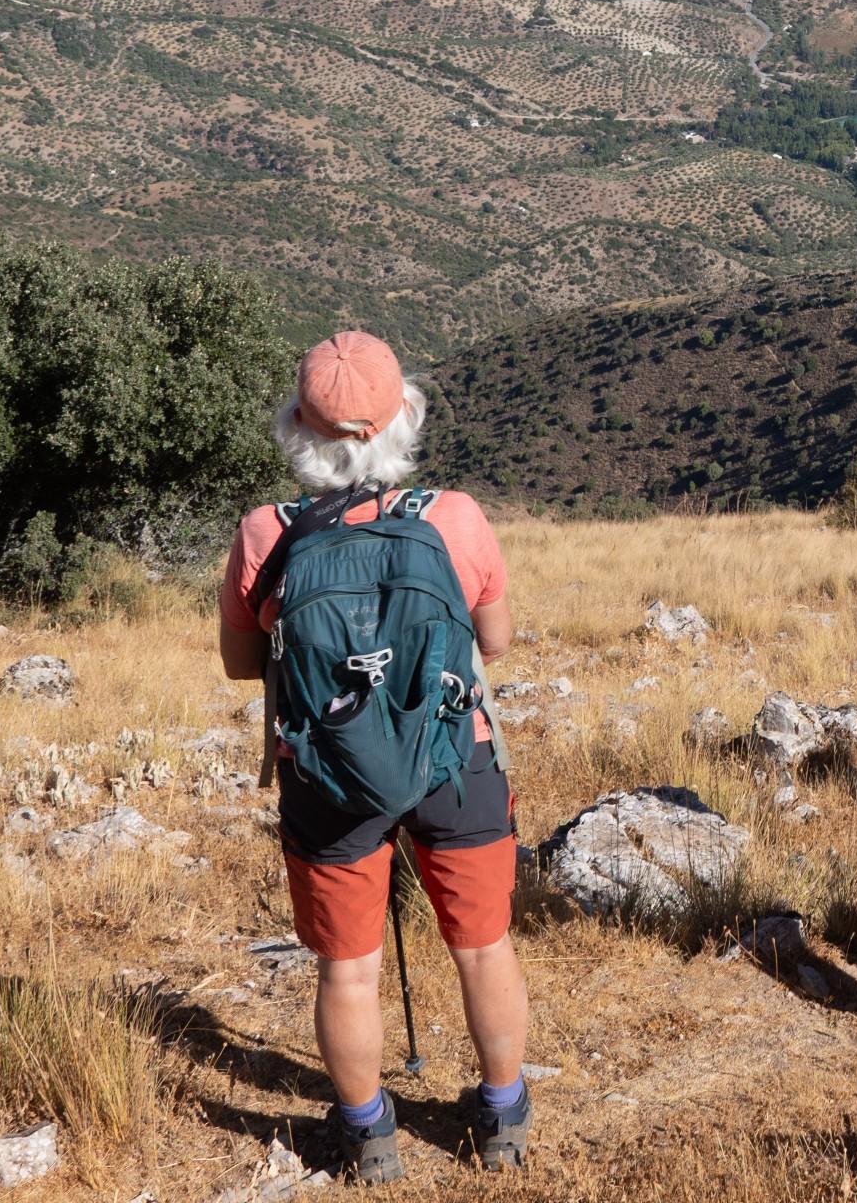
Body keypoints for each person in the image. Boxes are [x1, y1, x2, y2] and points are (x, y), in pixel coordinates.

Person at [218, 331, 532, 1182]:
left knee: (347, 970)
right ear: (403, 421)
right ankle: (502, 1119)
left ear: (297, 429)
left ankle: (368, 1135)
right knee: (481, 946)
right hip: (451, 757)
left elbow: (245, 664)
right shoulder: (453, 518)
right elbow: (492, 644)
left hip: (327, 773)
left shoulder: (264, 534)